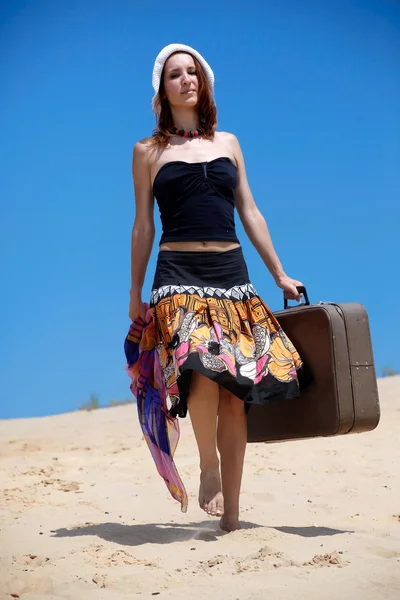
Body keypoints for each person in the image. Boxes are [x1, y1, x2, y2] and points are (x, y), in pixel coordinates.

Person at [126, 43, 305, 533]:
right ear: (162, 90)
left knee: (234, 390)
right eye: (174, 75)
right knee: (200, 364)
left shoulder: (229, 143)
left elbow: (249, 210)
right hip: (176, 276)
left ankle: (231, 514)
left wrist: (279, 274)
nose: (186, 80)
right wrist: (134, 293)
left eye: (193, 73)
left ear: (203, 83)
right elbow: (143, 227)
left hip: (231, 277)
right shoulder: (148, 152)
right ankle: (208, 466)